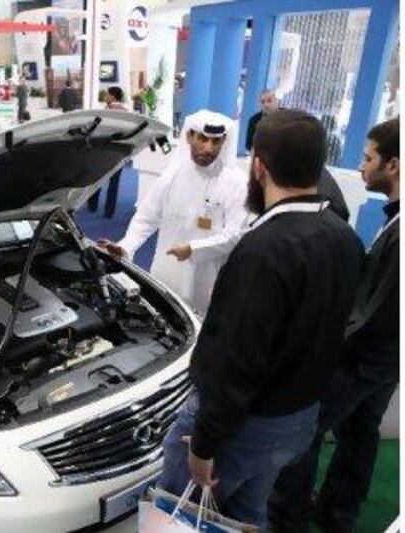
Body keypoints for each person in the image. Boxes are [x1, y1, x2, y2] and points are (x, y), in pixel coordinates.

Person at [158, 109, 364, 529]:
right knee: (247, 514)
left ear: (259, 166)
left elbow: (236, 365)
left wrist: (202, 445)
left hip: (242, 429)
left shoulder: (263, 250)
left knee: (179, 517)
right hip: (297, 422)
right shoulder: (344, 237)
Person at [268, 117, 400, 533]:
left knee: (301, 432)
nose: (362, 168)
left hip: (363, 360)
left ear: (393, 165)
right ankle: (337, 514)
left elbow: (374, 312)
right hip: (387, 361)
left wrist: (322, 347)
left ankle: (287, 519)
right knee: (360, 435)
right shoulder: (394, 218)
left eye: (368, 158)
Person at [99, 109, 248, 315]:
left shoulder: (236, 182)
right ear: (189, 136)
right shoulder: (173, 175)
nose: (208, 148)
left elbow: (235, 235)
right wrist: (125, 246)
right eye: (203, 139)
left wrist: (192, 249)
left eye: (216, 142)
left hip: (207, 278)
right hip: (166, 270)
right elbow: (146, 217)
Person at [87, 87, 129, 217]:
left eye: (107, 94)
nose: (105, 96)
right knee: (114, 183)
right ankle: (109, 212)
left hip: (104, 149)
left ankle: (92, 206)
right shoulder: (127, 112)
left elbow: (99, 130)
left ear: (112, 96)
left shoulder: (107, 111)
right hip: (120, 150)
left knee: (97, 179)